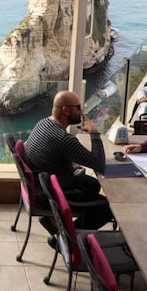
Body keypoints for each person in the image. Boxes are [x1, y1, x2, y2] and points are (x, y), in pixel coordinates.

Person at [24, 90, 112, 230]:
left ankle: (59, 221)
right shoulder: (64, 139)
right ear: (65, 110)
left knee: (93, 184)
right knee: (107, 208)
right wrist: (94, 133)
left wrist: (68, 166)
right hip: (54, 193)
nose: (81, 111)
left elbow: (51, 154)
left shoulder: (43, 123)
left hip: (41, 186)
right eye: (77, 107)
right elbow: (98, 164)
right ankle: (68, 237)